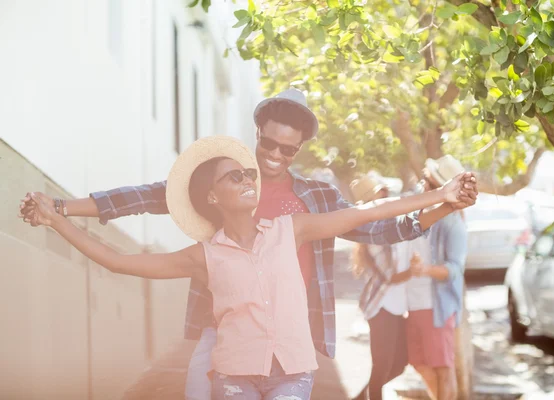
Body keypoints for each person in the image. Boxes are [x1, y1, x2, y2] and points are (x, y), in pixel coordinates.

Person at [19, 89, 478, 399]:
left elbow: (373, 222)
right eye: (269, 145)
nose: (275, 157)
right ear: (256, 135)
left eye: (288, 150)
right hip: (225, 324)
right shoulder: (226, 176)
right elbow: (141, 199)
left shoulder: (309, 203)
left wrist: (442, 202)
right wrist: (60, 209)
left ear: (298, 150)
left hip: (288, 331)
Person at [403, 155, 469, 400]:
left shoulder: (453, 223)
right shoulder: (417, 213)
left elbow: (455, 269)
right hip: (414, 304)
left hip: (437, 308)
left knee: (443, 368)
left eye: (429, 183)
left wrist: (425, 270)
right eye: (424, 180)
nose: (423, 186)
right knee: (418, 362)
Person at [349, 175, 413, 400]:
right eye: (380, 194)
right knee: (382, 367)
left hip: (395, 305)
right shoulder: (372, 232)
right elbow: (390, 277)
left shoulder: (388, 223)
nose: (385, 196)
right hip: (381, 307)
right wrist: (415, 270)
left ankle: (360, 398)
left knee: (400, 363)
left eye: (385, 193)